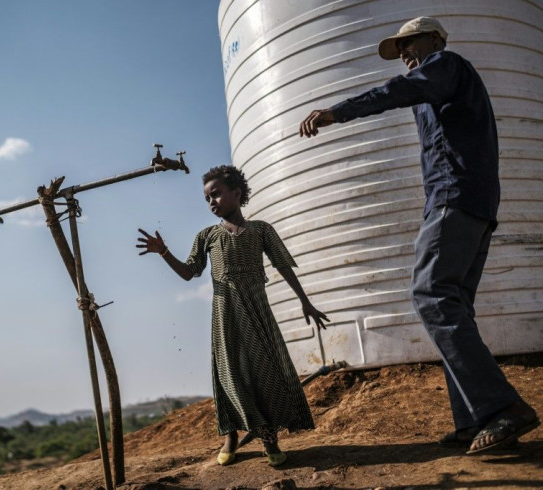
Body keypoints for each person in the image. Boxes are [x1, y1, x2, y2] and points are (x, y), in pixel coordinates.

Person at [298, 16, 539, 454]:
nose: (404, 54)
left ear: (434, 38)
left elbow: (395, 91)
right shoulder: (438, 85)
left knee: (430, 294)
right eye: (399, 50)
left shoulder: (446, 65)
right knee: (454, 305)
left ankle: (503, 407)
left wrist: (338, 112)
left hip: (457, 199)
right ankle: (474, 418)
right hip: (471, 204)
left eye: (408, 45)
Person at [136, 165, 330, 466]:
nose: (212, 202)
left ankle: (269, 436)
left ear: (236, 193)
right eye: (207, 198)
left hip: (257, 312)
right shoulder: (207, 236)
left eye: (216, 194)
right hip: (226, 315)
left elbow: (283, 265)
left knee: (268, 372)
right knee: (230, 374)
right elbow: (189, 273)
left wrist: (305, 301)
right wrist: (164, 252)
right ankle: (231, 435)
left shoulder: (261, 230)